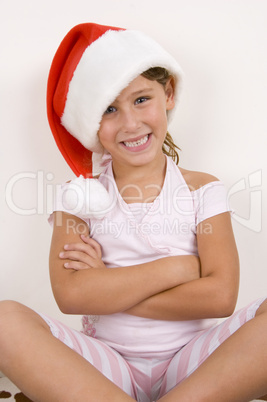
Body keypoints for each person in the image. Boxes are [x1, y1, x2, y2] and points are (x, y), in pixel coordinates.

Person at [0, 22, 266, 402]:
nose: (130, 123)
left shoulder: (202, 188)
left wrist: (106, 286)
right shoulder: (79, 197)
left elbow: (221, 297)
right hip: (103, 369)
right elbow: (71, 296)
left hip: (195, 366)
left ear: (169, 93)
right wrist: (177, 269)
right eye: (109, 109)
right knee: (4, 320)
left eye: (142, 99)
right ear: (92, 124)